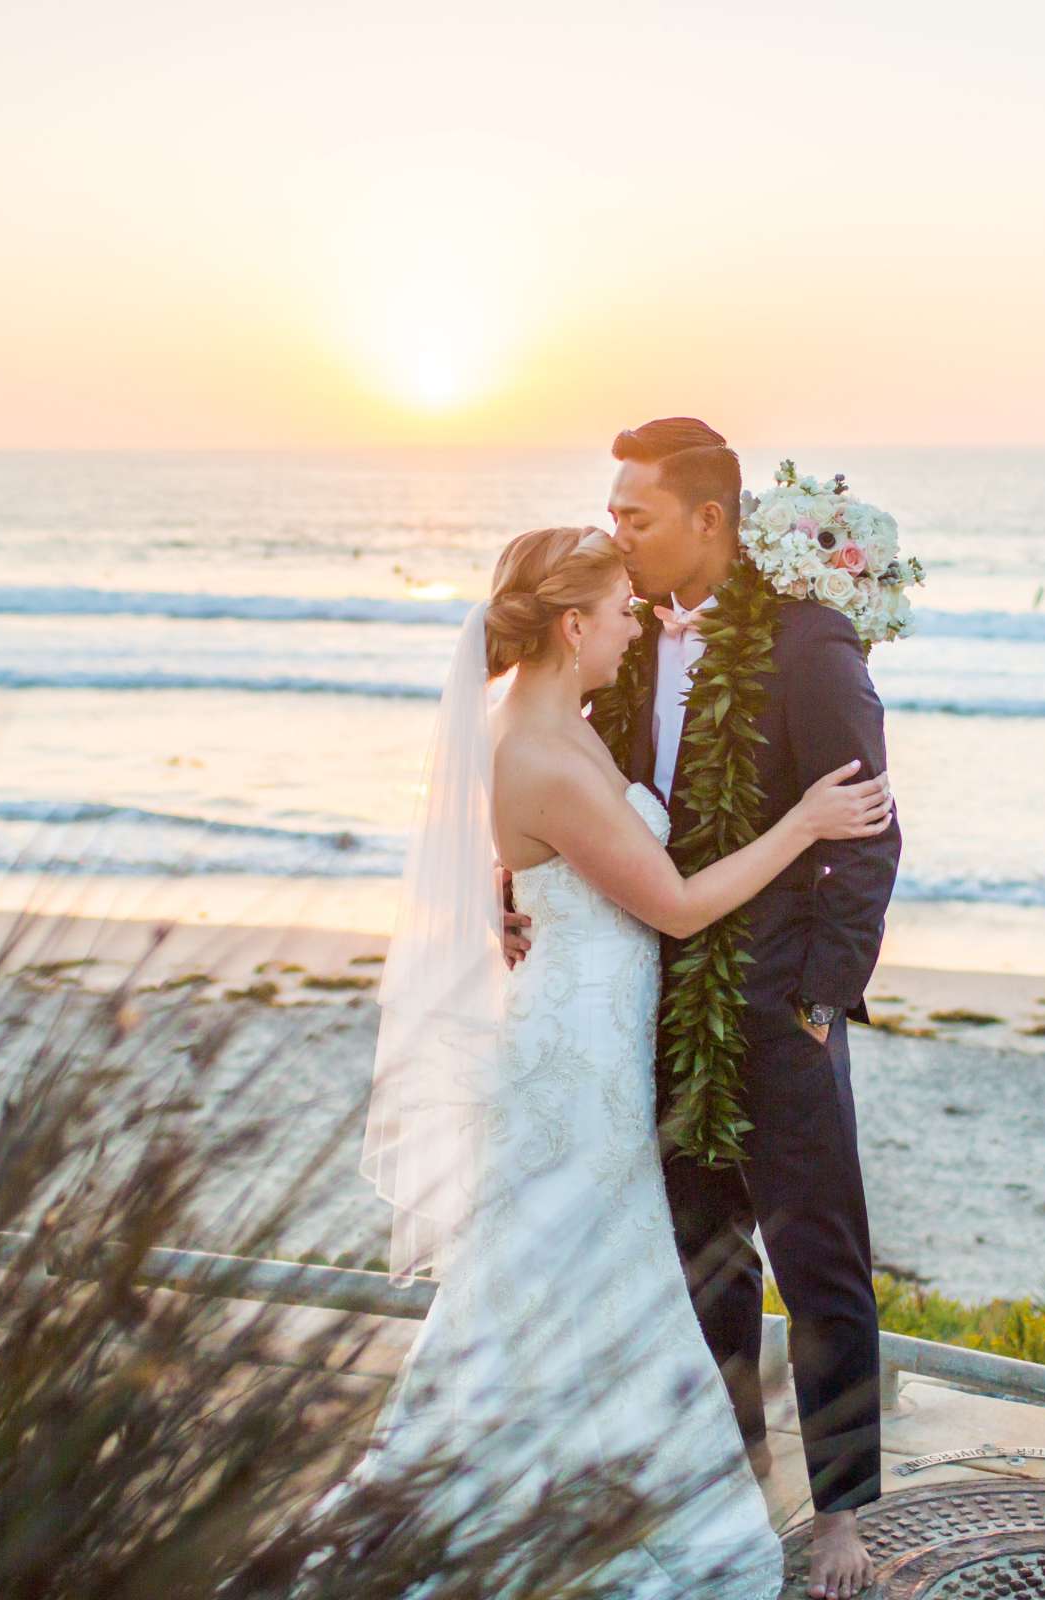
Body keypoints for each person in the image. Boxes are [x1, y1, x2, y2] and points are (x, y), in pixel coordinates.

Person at [341, 525, 892, 1599]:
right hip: (581, 1051)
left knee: (585, 1269)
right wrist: (805, 821)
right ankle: (519, 1489)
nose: (636, 618)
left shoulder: (568, 722)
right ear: (571, 625)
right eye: (619, 611)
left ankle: (579, 1472)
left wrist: (513, 893)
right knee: (567, 1266)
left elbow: (554, 855)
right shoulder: (541, 751)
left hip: (597, 1030)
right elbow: (676, 903)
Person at [606, 417, 902, 1600]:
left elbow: (872, 839)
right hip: (663, 997)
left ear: (710, 520)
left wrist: (825, 997)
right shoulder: (626, 641)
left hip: (781, 1008)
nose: (616, 533)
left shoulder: (807, 646)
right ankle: (738, 1459)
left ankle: (841, 1515)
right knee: (703, 1253)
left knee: (818, 1256)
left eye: (636, 515)